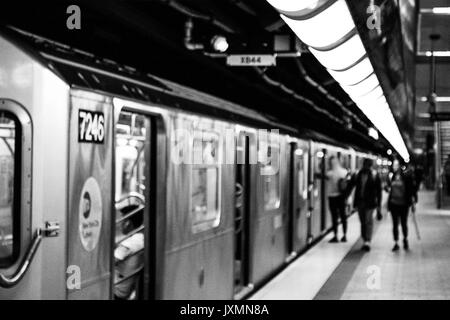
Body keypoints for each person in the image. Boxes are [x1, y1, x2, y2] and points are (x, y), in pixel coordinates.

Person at [348, 158, 382, 251]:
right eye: (366, 165)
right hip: (360, 202)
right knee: (363, 222)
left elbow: (379, 192)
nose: (366, 167)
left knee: (368, 221)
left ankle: (367, 241)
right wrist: (345, 197)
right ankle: (364, 239)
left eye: (368, 165)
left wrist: (379, 207)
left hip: (370, 203)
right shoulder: (357, 174)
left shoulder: (375, 175)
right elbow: (351, 185)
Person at [386, 159, 417, 251]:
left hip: (403, 204)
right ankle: (396, 242)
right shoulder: (393, 176)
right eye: (393, 165)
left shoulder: (406, 176)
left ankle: (405, 239)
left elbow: (410, 189)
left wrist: (413, 202)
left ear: (399, 165)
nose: (394, 167)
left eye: (396, 165)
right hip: (393, 203)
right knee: (395, 224)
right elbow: (391, 190)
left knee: (403, 223)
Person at [114, 206, 144, 300]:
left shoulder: (131, 243)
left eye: (122, 220)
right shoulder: (139, 238)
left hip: (116, 291)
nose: (119, 224)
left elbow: (109, 262)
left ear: (127, 223)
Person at [326, 156, 349, 243]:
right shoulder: (344, 172)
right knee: (343, 216)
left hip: (332, 197)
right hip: (341, 197)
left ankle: (335, 236)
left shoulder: (330, 173)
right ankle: (344, 235)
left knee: (334, 217)